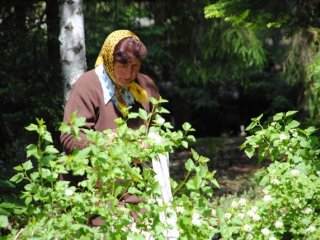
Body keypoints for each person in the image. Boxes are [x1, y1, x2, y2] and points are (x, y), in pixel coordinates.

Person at [60, 29, 159, 153]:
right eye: (122, 66)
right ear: (109, 61)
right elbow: (70, 137)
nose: (129, 74)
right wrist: (104, 143)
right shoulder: (87, 86)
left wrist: (149, 143)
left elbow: (157, 128)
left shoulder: (145, 87)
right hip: (98, 170)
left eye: (134, 66)